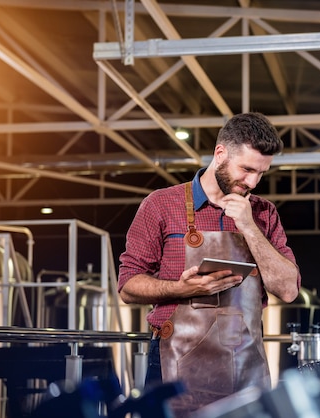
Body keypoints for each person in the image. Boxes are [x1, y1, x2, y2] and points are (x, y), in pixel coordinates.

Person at [118, 112, 301, 416]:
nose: (252, 182)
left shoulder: (263, 214)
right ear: (220, 154)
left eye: (261, 173)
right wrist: (180, 288)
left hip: (245, 367)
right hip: (173, 366)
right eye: (246, 169)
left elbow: (289, 290)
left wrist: (248, 226)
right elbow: (127, 286)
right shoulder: (161, 205)